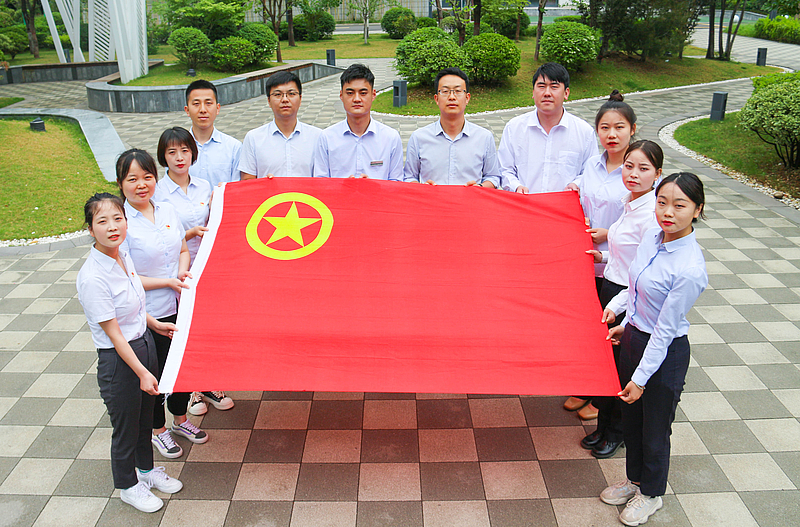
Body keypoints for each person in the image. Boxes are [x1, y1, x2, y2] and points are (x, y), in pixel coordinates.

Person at [600, 172, 707, 526]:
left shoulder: (690, 268)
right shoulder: (651, 236)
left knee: (655, 428)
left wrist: (641, 378)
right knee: (632, 420)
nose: (668, 212)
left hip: (664, 352)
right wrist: (621, 314)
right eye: (662, 202)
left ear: (697, 209)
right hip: (634, 336)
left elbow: (664, 329)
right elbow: (635, 287)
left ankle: (651, 494)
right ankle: (634, 480)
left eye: (680, 205)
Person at [77, 192, 183, 513]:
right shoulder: (92, 277)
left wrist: (155, 324)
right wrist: (142, 372)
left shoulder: (123, 254)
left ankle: (146, 472)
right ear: (90, 228)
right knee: (126, 426)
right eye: (102, 221)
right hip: (119, 360)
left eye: (118, 218)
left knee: (144, 418)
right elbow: (114, 333)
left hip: (143, 343)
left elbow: (134, 305)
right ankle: (127, 485)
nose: (112, 227)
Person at [116, 149, 209, 459]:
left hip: (181, 304)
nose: (141, 185)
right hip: (148, 312)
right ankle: (158, 430)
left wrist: (181, 272)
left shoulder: (167, 210)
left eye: (147, 177)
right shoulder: (121, 222)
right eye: (132, 179)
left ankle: (180, 419)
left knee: (182, 366)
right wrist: (167, 281)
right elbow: (127, 277)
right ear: (121, 183)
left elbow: (182, 248)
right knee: (155, 373)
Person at [581, 140, 663, 457]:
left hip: (631, 296)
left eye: (643, 168)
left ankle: (617, 432)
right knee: (608, 361)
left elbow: (643, 269)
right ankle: (603, 427)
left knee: (623, 366)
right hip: (611, 287)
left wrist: (623, 305)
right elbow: (623, 254)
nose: (633, 174)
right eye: (629, 166)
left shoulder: (652, 216)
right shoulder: (628, 203)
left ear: (657, 174)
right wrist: (600, 256)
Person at [562, 91, 638, 427]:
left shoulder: (637, 170)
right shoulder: (592, 166)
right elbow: (575, 193)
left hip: (618, 269)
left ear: (632, 130)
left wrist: (609, 233)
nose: (612, 134)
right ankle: (586, 385)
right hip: (585, 262)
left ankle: (604, 397)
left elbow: (643, 221)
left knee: (611, 332)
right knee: (585, 328)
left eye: (619, 127)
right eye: (605, 127)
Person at [154, 127, 235, 417]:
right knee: (184, 330)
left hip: (209, 268)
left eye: (185, 151)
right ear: (163, 157)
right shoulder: (158, 193)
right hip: (178, 272)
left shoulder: (204, 186)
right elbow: (161, 236)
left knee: (209, 327)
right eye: (172, 152)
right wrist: (189, 234)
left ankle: (209, 382)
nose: (179, 157)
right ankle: (190, 390)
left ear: (193, 154)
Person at [497, 62, 598, 193]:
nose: (547, 93)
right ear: (533, 92)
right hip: (523, 202)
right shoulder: (514, 128)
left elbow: (591, 171)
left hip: (565, 203)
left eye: (554, 87)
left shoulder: (584, 132)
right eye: (541, 86)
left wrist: (576, 184)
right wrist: (516, 187)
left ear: (566, 93)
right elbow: (504, 169)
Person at [403, 67, 500, 188]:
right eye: (445, 91)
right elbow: (408, 177)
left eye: (458, 91)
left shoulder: (484, 137)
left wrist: (479, 188)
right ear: (436, 99)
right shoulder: (419, 137)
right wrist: (422, 188)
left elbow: (493, 177)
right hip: (431, 200)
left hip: (470, 200)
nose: (452, 97)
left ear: (467, 98)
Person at [313, 63, 403, 180]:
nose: (356, 99)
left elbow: (397, 182)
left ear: (373, 95)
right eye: (350, 93)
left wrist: (372, 186)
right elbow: (320, 182)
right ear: (341, 95)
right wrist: (344, 186)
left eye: (363, 93)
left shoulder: (390, 138)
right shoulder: (327, 138)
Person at [239, 70, 322, 179]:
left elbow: (325, 179)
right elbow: (247, 181)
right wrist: (263, 183)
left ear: (300, 99)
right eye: (278, 94)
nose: (285, 99)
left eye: (291, 94)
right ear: (269, 101)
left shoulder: (318, 137)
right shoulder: (254, 138)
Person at [184, 79, 242, 187]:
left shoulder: (233, 147)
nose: (203, 110)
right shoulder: (177, 148)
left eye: (208, 103)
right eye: (196, 104)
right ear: (187, 110)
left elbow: (237, 188)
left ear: (217, 108)